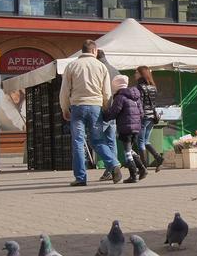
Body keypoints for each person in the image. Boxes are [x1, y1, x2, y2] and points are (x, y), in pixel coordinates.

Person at [59, 39, 122, 187]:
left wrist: (64, 108)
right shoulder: (101, 67)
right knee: (98, 140)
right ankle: (113, 164)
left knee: (78, 142)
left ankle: (81, 177)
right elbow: (107, 92)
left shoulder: (72, 65)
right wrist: (106, 107)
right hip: (95, 107)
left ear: (82, 51)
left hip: (77, 107)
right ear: (94, 51)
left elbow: (64, 91)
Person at [100, 75, 148, 183]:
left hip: (125, 128)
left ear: (115, 86)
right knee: (130, 149)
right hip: (136, 128)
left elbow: (114, 112)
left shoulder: (120, 97)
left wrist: (104, 116)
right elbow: (141, 113)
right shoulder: (136, 97)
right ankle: (142, 168)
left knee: (127, 152)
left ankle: (133, 175)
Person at [135, 66, 165, 172]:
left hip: (144, 116)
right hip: (152, 116)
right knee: (146, 140)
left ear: (141, 74)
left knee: (140, 142)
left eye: (136, 72)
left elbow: (140, 103)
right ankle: (158, 158)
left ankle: (143, 166)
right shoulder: (153, 86)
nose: (135, 74)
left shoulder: (140, 86)